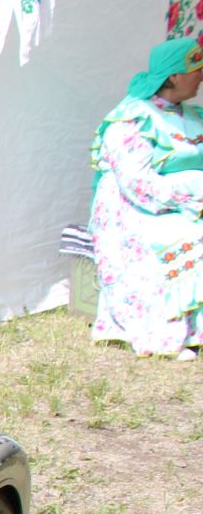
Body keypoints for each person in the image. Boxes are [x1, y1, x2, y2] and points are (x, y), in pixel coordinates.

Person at [89, 36, 203, 359]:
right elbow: (137, 183)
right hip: (135, 210)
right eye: (196, 69)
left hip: (183, 205)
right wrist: (193, 195)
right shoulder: (133, 118)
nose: (201, 76)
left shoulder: (193, 116)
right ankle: (170, 333)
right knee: (193, 236)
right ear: (174, 77)